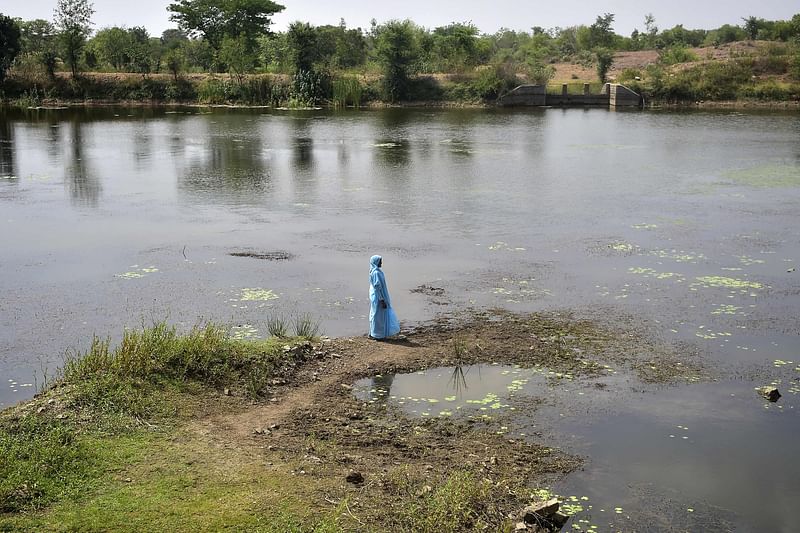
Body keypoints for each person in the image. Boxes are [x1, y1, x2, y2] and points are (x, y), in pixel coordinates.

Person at [369, 255, 400, 340]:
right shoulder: (376, 273)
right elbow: (377, 287)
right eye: (380, 261)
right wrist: (382, 300)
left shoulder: (375, 271)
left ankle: (375, 333)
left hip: (378, 296)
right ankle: (378, 335)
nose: (381, 263)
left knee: (376, 315)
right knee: (378, 316)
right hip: (378, 297)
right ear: (376, 262)